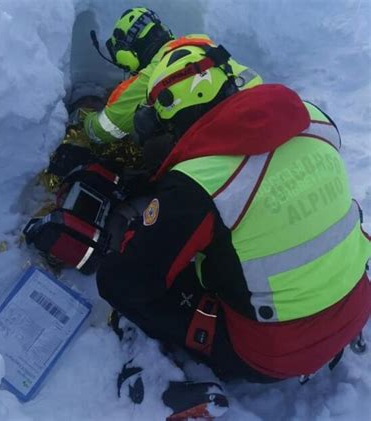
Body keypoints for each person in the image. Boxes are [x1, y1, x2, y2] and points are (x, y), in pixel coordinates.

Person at [96, 43, 371, 382]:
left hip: (274, 353)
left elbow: (128, 280)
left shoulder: (200, 184)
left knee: (123, 281)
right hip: (356, 303)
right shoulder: (315, 120)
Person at [83, 7, 262, 144]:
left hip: (218, 148)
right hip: (258, 120)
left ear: (127, 55)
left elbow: (102, 132)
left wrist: (82, 117)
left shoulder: (151, 76)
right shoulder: (202, 46)